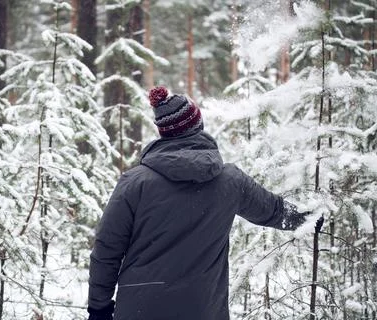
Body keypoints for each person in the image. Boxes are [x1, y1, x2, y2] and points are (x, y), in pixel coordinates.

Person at [87, 86, 310, 320]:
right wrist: (310, 216)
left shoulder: (134, 183)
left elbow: (106, 249)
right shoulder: (230, 181)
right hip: (203, 309)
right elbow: (273, 211)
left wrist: (99, 307)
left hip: (141, 309)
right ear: (198, 126)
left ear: (164, 133)